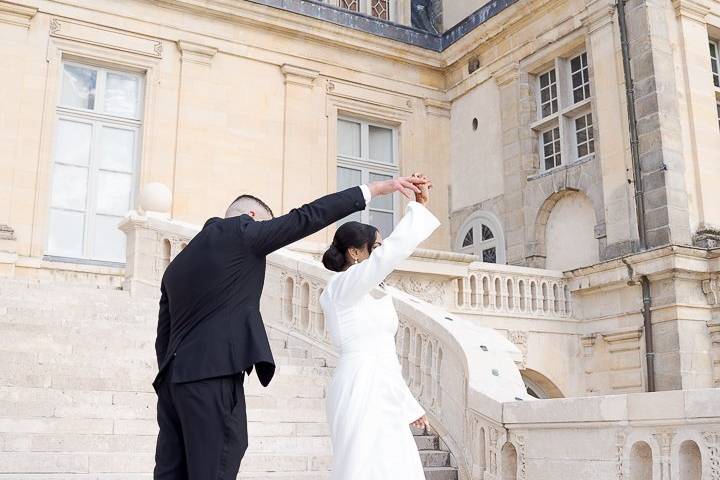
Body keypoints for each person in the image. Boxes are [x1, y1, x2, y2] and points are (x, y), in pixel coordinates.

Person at [152, 176, 427, 480]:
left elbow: (162, 337)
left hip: (172, 384)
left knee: (170, 473)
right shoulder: (243, 233)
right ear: (253, 218)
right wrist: (372, 190)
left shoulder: (178, 264)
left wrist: (171, 377)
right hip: (212, 376)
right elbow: (306, 217)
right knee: (217, 464)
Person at [319, 173, 440, 479]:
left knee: (398, 469)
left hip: (381, 386)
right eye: (376, 247)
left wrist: (409, 404)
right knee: (363, 469)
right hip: (359, 388)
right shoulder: (342, 286)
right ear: (355, 253)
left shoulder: (372, 292)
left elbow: (386, 357)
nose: (382, 252)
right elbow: (392, 255)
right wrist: (416, 209)